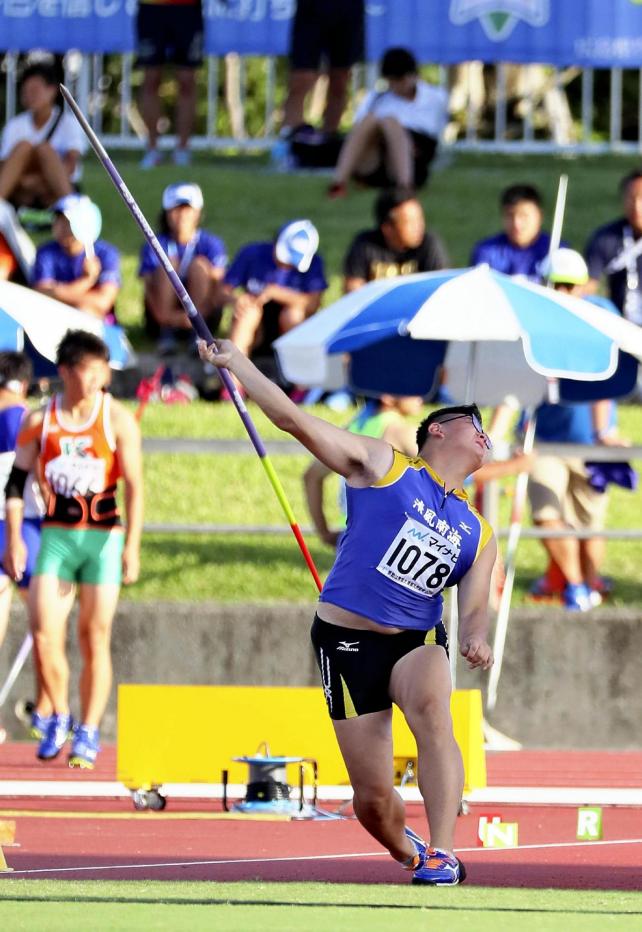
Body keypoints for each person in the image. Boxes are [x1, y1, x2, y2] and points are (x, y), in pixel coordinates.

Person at [199, 336, 496, 886]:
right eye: (472, 423)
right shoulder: (385, 465)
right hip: (345, 643)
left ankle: (443, 853)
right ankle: (406, 851)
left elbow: (473, 608)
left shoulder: (476, 531)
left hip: (415, 640)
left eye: (487, 430)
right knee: (374, 802)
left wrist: (477, 638)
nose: (485, 432)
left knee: (434, 712)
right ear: (437, 429)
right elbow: (293, 420)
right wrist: (236, 361)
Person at [3, 330, 143, 768]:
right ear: (65, 371)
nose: (98, 377)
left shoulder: (116, 418)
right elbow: (15, 482)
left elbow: (136, 487)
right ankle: (59, 714)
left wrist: (132, 547)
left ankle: (89, 728)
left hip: (102, 538)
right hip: (57, 538)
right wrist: (12, 539)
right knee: (44, 631)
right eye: (89, 368)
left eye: (103, 369)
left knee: (93, 635)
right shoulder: (40, 420)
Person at [523, 249, 631, 610]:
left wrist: (604, 432)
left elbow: (608, 374)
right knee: (546, 514)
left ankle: (588, 583)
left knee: (590, 524)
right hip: (544, 440)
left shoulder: (601, 314)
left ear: (583, 285)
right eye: (556, 284)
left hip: (590, 442)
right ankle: (574, 587)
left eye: (570, 285)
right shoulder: (531, 317)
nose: (563, 292)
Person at [0, 353, 50, 743]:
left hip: (14, 522)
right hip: (25, 524)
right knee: (44, 623)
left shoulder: (19, 418)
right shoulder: (26, 418)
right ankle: (48, 710)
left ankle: (48, 709)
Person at [304, 395, 424, 547]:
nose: (420, 396)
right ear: (386, 397)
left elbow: (311, 476)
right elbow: (445, 481)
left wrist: (324, 533)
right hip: (389, 540)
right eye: (411, 388)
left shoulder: (354, 428)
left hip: (350, 535)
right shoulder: (401, 433)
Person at [328, 48, 448, 199]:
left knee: (390, 122)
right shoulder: (376, 99)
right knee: (371, 120)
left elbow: (432, 133)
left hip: (415, 155)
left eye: (400, 80)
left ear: (413, 76)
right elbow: (359, 130)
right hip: (376, 158)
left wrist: (396, 131)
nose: (397, 86)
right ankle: (339, 181)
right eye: (392, 81)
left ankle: (405, 184)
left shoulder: (434, 97)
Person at [222, 220, 327, 385]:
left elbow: (312, 304)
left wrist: (274, 292)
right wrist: (238, 300)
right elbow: (223, 291)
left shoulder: (315, 264)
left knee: (293, 313)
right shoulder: (252, 253)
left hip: (290, 329)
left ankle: (301, 386)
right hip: (257, 327)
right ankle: (233, 385)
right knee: (248, 313)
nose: (286, 264)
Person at [273, 0, 365, 170]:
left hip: (349, 8)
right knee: (301, 78)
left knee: (340, 78)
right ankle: (287, 148)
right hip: (313, 8)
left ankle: (328, 150)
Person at [139, 183, 227, 355]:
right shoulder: (154, 243)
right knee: (167, 264)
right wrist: (165, 317)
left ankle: (198, 332)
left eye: (187, 209)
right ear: (167, 213)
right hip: (161, 315)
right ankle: (166, 333)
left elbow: (219, 286)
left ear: (198, 212)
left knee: (199, 265)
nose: (182, 215)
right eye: (176, 209)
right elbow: (148, 286)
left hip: (204, 314)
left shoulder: (211, 243)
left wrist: (200, 314)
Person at [0, 62, 86, 209]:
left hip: (52, 188)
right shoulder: (15, 125)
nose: (29, 96)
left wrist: (37, 181)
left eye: (35, 91)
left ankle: (73, 210)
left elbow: (71, 165)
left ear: (52, 91)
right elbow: (4, 166)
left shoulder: (69, 123)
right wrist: (26, 182)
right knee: (24, 147)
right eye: (25, 91)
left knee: (44, 149)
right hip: (21, 189)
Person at [135, 0, 204, 168]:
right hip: (151, 7)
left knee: (187, 80)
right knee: (151, 78)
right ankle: (152, 150)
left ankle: (182, 150)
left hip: (187, 7)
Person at [31, 195, 120, 324]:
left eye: (68, 222)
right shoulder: (46, 252)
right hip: (53, 318)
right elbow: (41, 294)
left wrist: (57, 292)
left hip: (96, 324)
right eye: (58, 220)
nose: (61, 227)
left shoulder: (107, 254)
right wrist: (86, 281)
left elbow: (103, 302)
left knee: (86, 312)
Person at [344, 188, 448, 293]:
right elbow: (353, 292)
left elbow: (441, 290)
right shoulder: (365, 245)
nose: (419, 226)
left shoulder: (429, 244)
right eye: (410, 222)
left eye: (420, 219)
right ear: (387, 228)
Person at [585, 168, 642, 324]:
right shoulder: (605, 238)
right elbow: (587, 286)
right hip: (620, 327)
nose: (637, 206)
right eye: (631, 198)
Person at [470, 184, 558, 281]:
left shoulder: (557, 251)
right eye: (510, 215)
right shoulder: (486, 250)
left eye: (524, 215)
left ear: (540, 216)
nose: (516, 223)